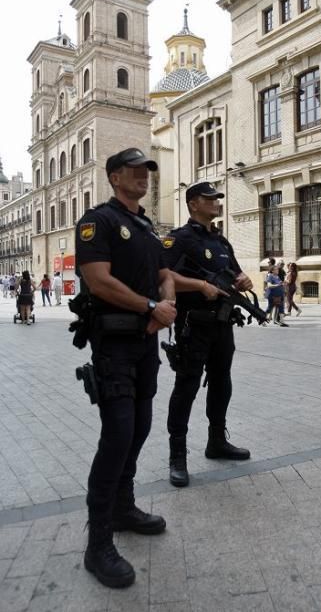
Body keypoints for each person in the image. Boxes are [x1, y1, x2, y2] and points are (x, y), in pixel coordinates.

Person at [75, 147, 177, 589]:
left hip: (146, 343)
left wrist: (165, 301)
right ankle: (98, 543)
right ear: (115, 176)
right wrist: (152, 307)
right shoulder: (98, 221)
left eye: (148, 171)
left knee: (139, 427)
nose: (144, 177)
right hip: (115, 345)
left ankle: (123, 507)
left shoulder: (146, 227)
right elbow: (97, 280)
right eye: (135, 171)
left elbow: (164, 273)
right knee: (116, 434)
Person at [162, 181, 252, 489]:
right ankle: (177, 456)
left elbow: (236, 273)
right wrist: (199, 286)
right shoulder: (179, 239)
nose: (216, 202)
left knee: (221, 381)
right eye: (209, 198)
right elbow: (164, 275)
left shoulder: (221, 241)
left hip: (222, 323)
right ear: (193, 204)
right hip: (193, 324)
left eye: (217, 198)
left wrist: (243, 280)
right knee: (186, 386)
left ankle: (217, 441)